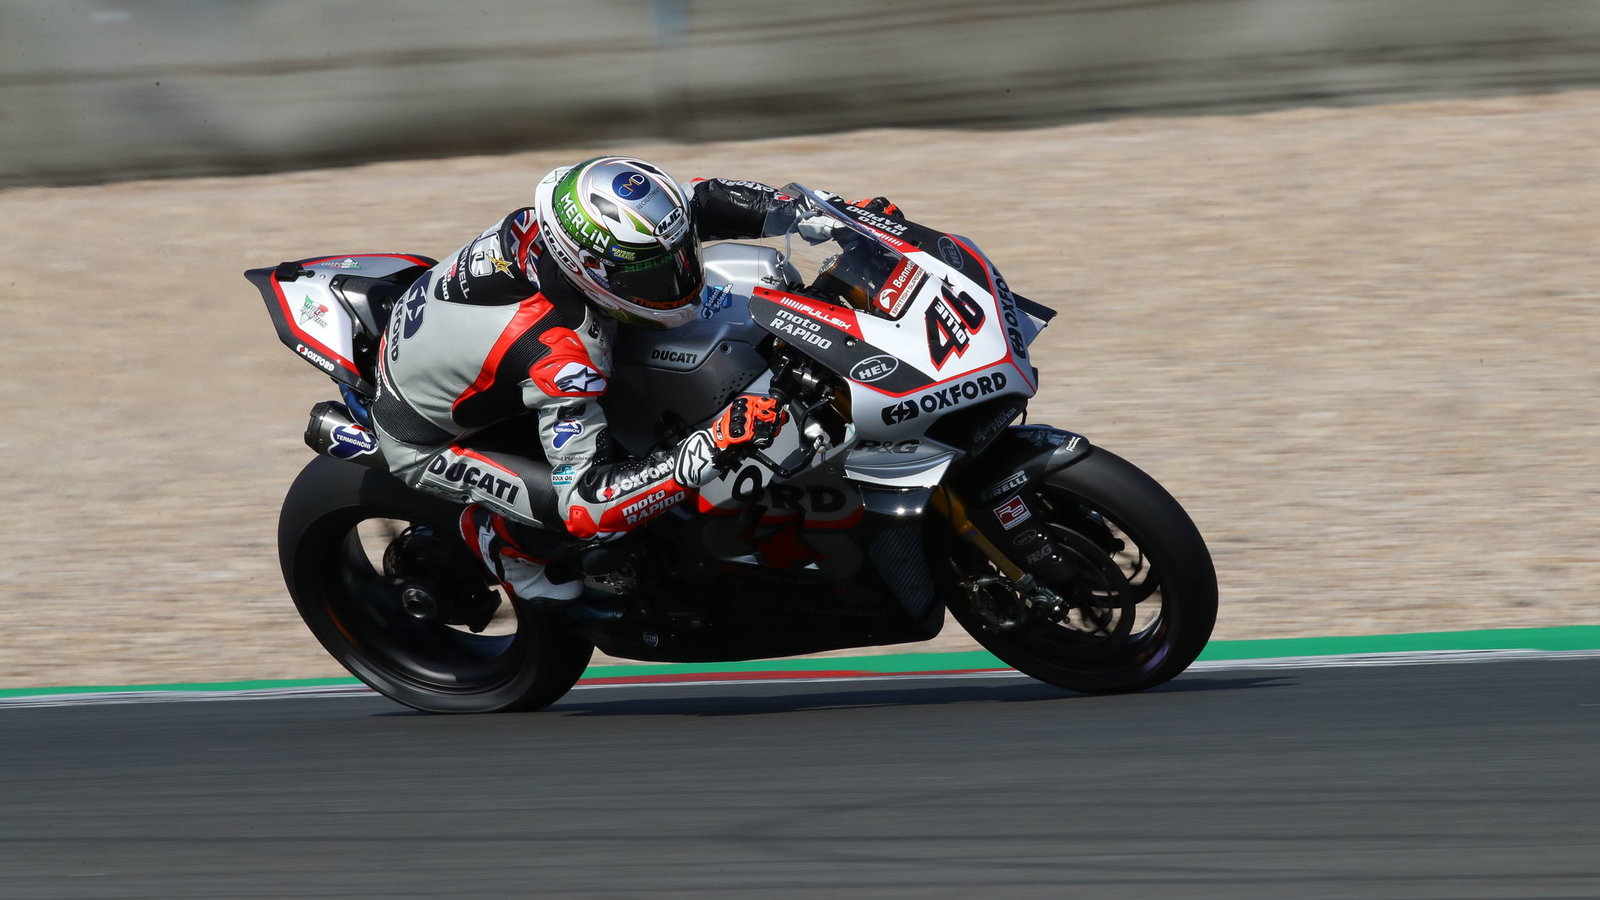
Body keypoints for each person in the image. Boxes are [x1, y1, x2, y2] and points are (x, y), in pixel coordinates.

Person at [370, 155, 899, 605]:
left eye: (679, 258)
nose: (679, 278)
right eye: (652, 275)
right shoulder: (562, 353)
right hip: (431, 439)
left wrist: (823, 215)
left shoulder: (596, 231)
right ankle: (500, 541)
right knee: (590, 525)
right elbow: (586, 503)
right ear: (591, 270)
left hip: (465, 346)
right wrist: (712, 443)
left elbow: (702, 200)